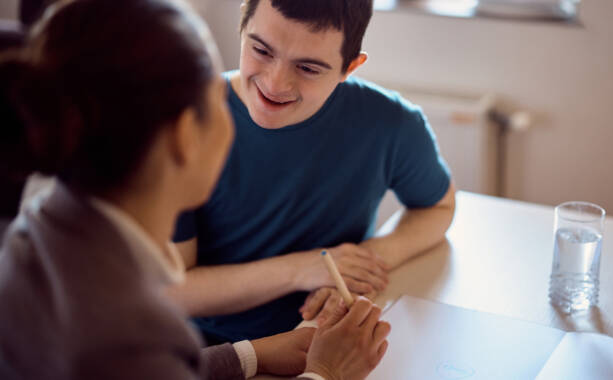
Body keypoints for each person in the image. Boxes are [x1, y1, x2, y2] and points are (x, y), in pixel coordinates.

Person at [0, 0, 389, 379]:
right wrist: (328, 372)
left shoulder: (39, 227)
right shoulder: (125, 333)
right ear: (187, 136)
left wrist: (249, 355)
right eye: (219, 102)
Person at [170, 0, 457, 344]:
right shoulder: (181, 122)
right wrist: (303, 270)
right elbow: (173, 290)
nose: (275, 84)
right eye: (261, 50)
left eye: (308, 68)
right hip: (212, 355)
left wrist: (363, 262)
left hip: (330, 341)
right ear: (242, 29)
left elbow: (437, 206)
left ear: (349, 67)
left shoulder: (392, 123)